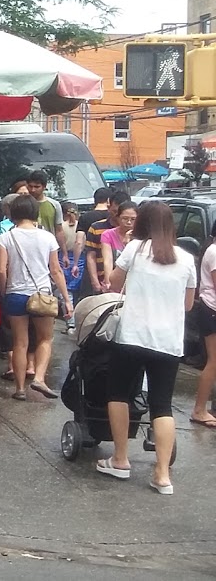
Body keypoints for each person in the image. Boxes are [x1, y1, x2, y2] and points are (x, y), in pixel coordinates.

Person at [97, 201, 196, 494]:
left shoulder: (135, 250)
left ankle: (120, 459)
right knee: (162, 405)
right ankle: (162, 475)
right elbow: (188, 304)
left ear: (143, 222)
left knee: (118, 393)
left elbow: (114, 284)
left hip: (132, 336)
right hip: (167, 342)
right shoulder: (186, 259)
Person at [0, 194, 65, 400]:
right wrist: (67, 299)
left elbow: (1, 270)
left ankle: (19, 388)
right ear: (35, 212)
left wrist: (5, 291)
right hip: (42, 294)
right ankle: (39, 378)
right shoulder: (47, 238)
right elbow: (56, 270)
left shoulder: (6, 237)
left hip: (16, 294)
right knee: (45, 338)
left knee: (19, 342)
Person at [84, 190, 131, 294]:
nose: (117, 216)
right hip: (104, 282)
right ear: (109, 207)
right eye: (115, 212)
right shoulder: (97, 228)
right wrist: (95, 282)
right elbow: (92, 256)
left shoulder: (138, 233)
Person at [193, 223, 216, 429]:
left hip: (210, 309)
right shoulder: (214, 252)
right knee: (213, 361)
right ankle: (200, 409)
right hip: (211, 310)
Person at [99, 202, 138, 293]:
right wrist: (109, 282)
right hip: (116, 280)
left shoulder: (142, 236)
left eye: (133, 219)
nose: (129, 222)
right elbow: (107, 261)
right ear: (118, 218)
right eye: (125, 218)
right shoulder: (107, 235)